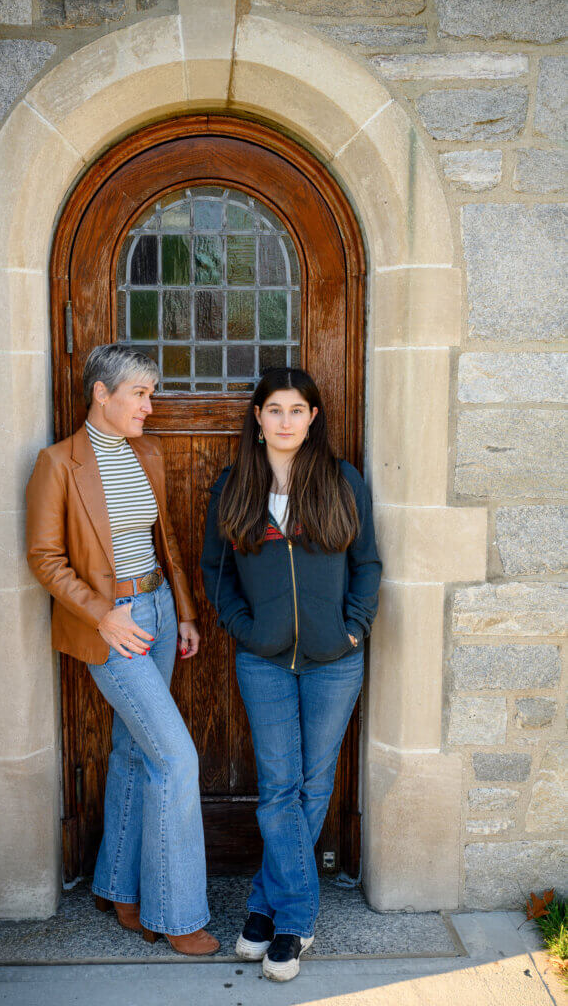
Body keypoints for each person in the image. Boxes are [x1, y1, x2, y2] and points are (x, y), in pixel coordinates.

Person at [26, 345, 218, 956]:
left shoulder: (149, 453)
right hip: (113, 626)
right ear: (101, 394)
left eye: (151, 393)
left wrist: (183, 610)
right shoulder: (57, 464)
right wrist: (103, 615)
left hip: (158, 609)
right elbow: (44, 558)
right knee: (177, 760)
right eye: (140, 393)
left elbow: (165, 541)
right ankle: (177, 913)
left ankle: (118, 888)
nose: (150, 405)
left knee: (134, 752)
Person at [200, 367, 381, 981]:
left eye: (296, 410)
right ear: (258, 418)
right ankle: (296, 920)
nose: (284, 421)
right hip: (265, 659)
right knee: (280, 788)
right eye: (273, 409)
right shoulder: (234, 487)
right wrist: (244, 629)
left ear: (312, 417)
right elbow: (216, 572)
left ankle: (262, 908)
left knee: (313, 781)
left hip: (336, 659)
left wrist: (355, 625)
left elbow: (368, 563)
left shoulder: (341, 481)